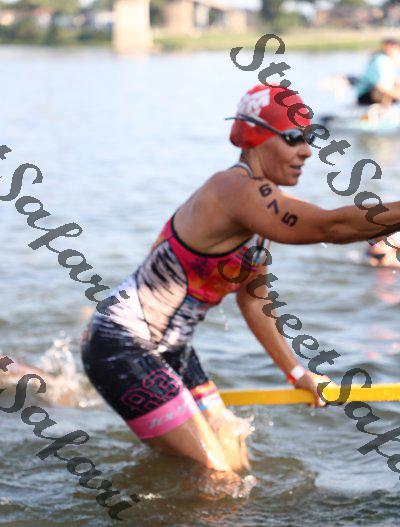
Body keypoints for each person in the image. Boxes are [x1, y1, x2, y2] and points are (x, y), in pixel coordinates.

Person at [81, 84, 400, 474]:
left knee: (233, 450)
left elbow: (254, 299)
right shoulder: (234, 189)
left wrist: (297, 373)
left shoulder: (260, 211)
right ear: (255, 138)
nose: (306, 151)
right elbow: (331, 227)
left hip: (171, 348)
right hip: (121, 344)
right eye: (293, 138)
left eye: (309, 138)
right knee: (216, 477)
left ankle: (168, 499)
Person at [357, 39, 400, 107]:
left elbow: (395, 82)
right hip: (367, 95)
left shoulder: (389, 61)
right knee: (384, 92)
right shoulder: (380, 60)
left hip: (383, 91)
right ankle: (384, 110)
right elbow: (380, 86)